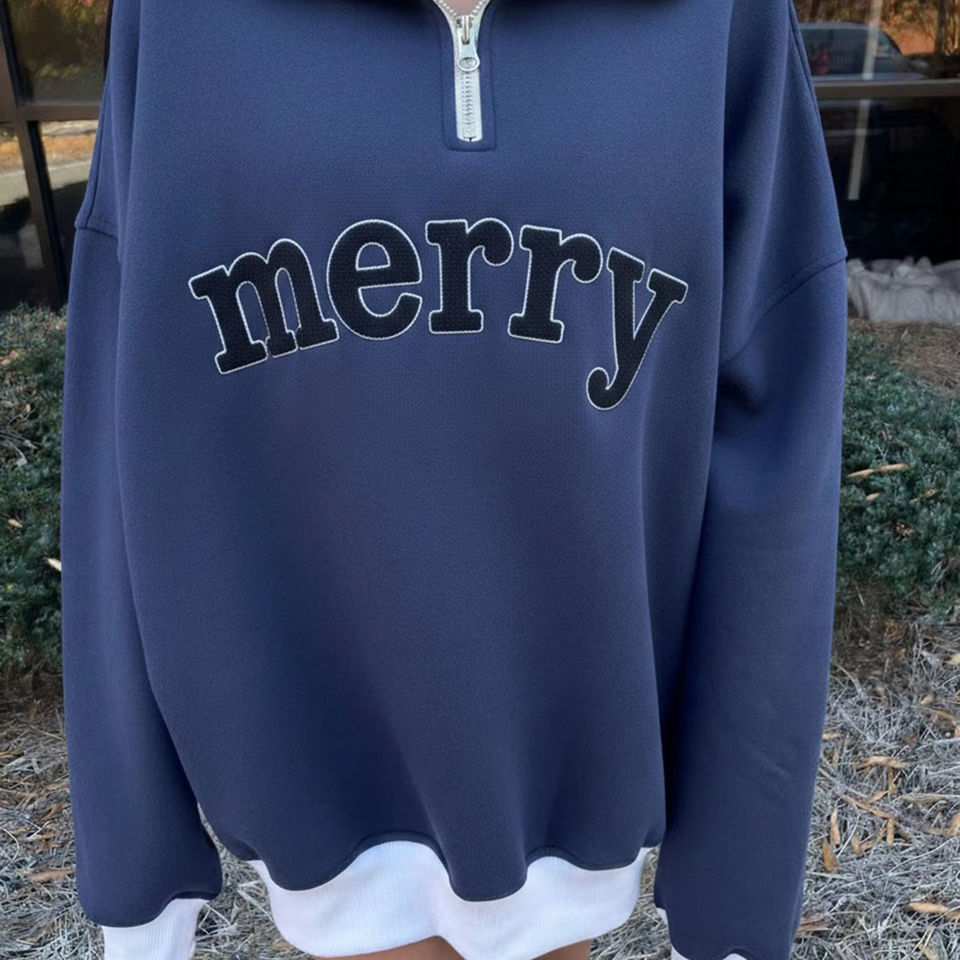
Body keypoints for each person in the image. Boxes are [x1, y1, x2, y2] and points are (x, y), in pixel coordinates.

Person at [59, 1, 849, 959]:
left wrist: (735, 891)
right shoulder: (177, 19)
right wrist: (138, 878)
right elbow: (124, 406)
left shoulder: (724, 18)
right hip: (311, 798)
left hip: (586, 813)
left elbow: (774, 434)